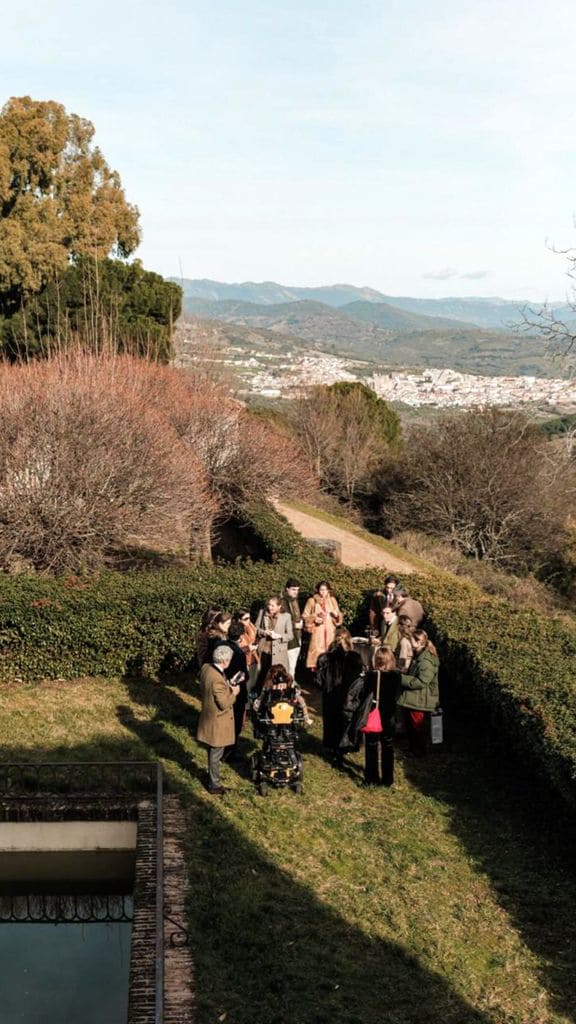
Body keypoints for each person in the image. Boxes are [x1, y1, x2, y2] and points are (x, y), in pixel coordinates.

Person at [341, 646, 399, 786]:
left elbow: (362, 694)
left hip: (375, 714)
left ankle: (371, 779)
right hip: (390, 715)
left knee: (371, 746)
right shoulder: (397, 676)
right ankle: (388, 779)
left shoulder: (372, 676)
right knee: (388, 746)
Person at [316, 626, 363, 765]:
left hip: (330, 695)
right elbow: (358, 681)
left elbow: (319, 681)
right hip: (347, 696)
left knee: (331, 722)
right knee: (345, 722)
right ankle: (342, 748)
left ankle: (333, 747)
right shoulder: (354, 658)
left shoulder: (324, 658)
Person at [196, 645, 240, 795]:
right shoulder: (218, 680)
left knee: (212, 752)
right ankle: (214, 784)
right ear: (224, 661)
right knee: (216, 754)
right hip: (218, 722)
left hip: (208, 717)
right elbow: (224, 704)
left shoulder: (206, 669)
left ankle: (212, 778)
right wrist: (234, 693)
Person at [397, 629, 439, 757]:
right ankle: (412, 748)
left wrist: (400, 678)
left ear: (419, 642)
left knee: (417, 727)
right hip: (415, 697)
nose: (409, 642)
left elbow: (421, 681)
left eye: (411, 640)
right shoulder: (420, 655)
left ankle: (419, 751)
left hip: (421, 698)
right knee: (410, 725)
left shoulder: (426, 660)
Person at [303, 581, 342, 671]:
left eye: (325, 590)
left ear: (328, 590)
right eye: (321, 590)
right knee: (317, 655)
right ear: (317, 590)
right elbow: (305, 616)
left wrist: (336, 615)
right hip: (317, 632)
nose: (323, 592)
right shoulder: (311, 601)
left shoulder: (332, 600)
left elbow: (338, 617)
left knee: (330, 652)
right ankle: (317, 678)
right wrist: (314, 618)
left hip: (330, 632)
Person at [254, 596, 293, 684]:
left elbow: (290, 636)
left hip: (279, 652)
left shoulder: (286, 616)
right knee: (262, 674)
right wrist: (264, 632)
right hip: (264, 650)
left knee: (277, 676)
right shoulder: (262, 613)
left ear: (279, 606)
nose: (269, 607)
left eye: (272, 606)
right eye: (269, 605)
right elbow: (255, 628)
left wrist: (279, 636)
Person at [280, 578, 304, 678]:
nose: (296, 592)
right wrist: (295, 625)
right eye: (294, 589)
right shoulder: (282, 602)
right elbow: (281, 621)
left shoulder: (294, 601)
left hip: (297, 636)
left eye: (297, 590)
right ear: (287, 589)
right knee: (289, 666)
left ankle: (290, 685)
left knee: (292, 665)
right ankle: (288, 687)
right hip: (289, 639)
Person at [233, 608, 260, 693]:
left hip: (254, 659)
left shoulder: (250, 627)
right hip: (243, 662)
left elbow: (255, 636)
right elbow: (235, 649)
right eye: (245, 619)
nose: (248, 621)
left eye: (249, 618)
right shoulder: (235, 631)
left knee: (252, 684)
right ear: (238, 619)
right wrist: (248, 648)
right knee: (244, 687)